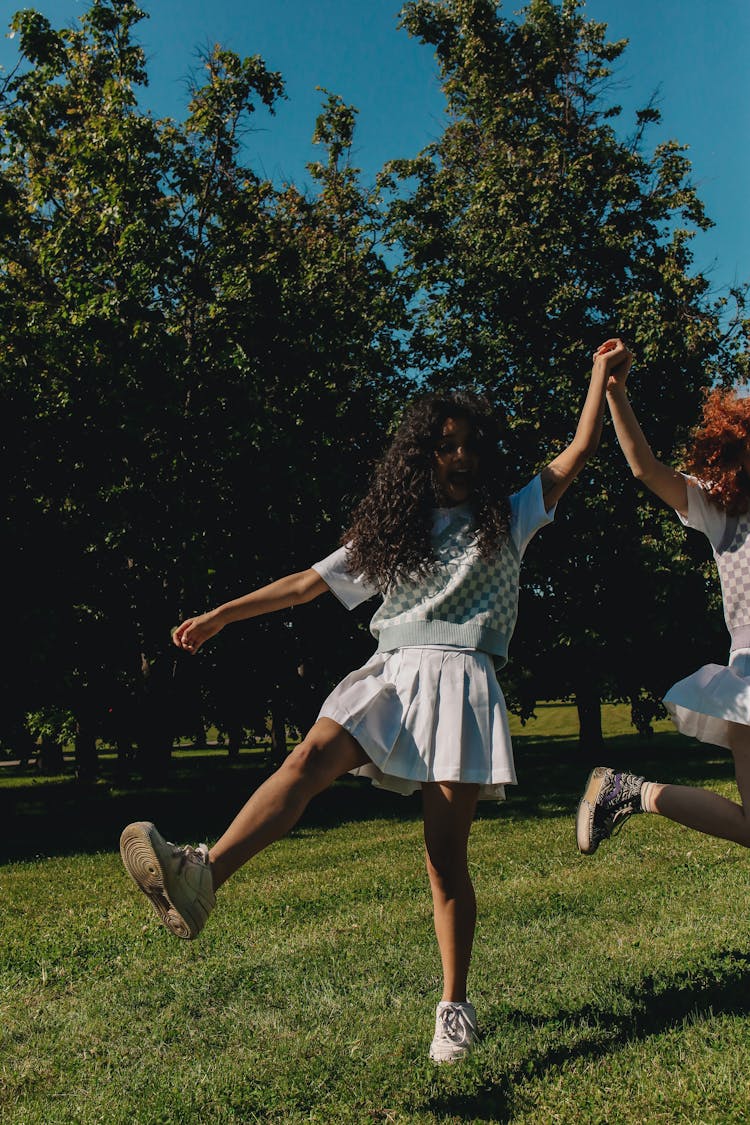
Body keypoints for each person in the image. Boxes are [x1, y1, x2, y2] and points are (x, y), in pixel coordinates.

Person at [120, 339, 629, 1063]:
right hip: (391, 674)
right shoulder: (395, 533)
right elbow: (306, 583)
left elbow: (576, 452)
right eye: (444, 447)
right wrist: (223, 614)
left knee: (445, 860)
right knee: (308, 757)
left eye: (469, 448)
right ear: (419, 456)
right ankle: (203, 875)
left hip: (462, 682)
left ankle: (454, 1006)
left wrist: (599, 380)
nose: (458, 459)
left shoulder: (511, 516)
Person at [577, 355, 750, 859]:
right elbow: (645, 469)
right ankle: (634, 792)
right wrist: (614, 391)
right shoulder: (722, 509)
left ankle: (630, 792)